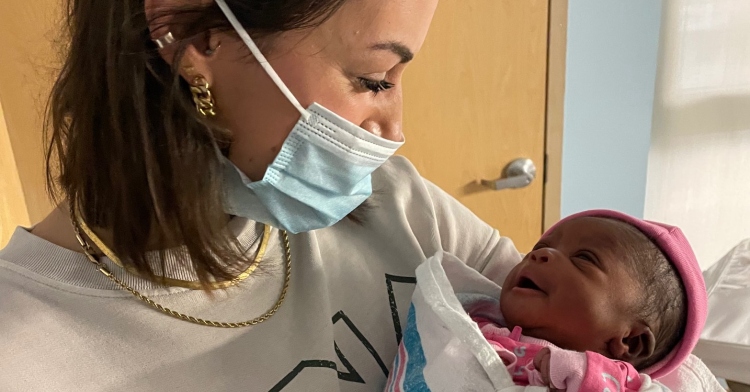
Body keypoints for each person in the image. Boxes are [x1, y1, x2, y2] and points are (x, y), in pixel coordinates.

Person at [0, 0, 525, 390]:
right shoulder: (23, 358)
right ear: (193, 35)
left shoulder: (406, 209)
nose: (392, 131)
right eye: (373, 78)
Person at [387, 210, 708, 391]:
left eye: (584, 259)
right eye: (539, 247)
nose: (542, 255)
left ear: (630, 341)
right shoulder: (471, 318)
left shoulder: (613, 381)